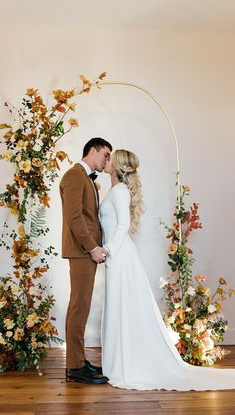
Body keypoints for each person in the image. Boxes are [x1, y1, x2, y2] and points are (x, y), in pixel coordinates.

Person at [100, 149, 235, 391]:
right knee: (119, 305)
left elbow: (122, 225)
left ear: (117, 165)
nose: (106, 160)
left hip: (119, 256)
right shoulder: (115, 190)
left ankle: (124, 364)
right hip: (118, 255)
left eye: (110, 158)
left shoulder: (119, 191)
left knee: (121, 305)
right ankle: (117, 360)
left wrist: (107, 250)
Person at [60, 137, 112, 384]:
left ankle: (79, 361)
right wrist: (91, 247)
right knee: (79, 307)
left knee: (82, 306)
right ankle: (74, 367)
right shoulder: (74, 175)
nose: (107, 160)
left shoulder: (86, 178)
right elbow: (74, 218)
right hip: (81, 251)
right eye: (106, 154)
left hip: (85, 251)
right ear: (93, 151)